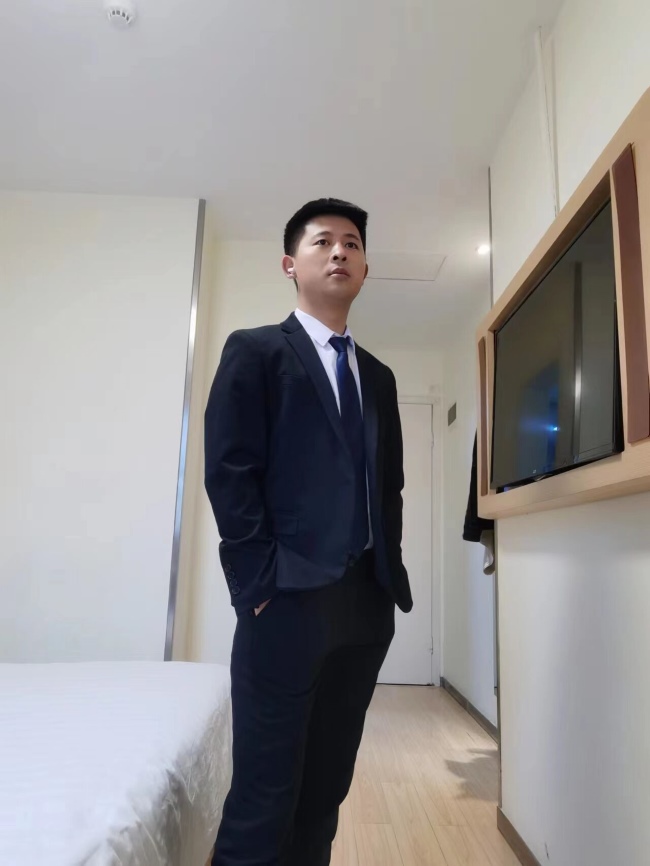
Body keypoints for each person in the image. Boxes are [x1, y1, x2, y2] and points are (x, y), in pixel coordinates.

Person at [204, 197, 412, 866]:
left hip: (365, 607)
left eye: (352, 243)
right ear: (290, 264)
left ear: (365, 267)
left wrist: (387, 580)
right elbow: (230, 472)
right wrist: (256, 586)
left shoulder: (378, 376)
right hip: (284, 601)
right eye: (322, 241)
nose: (340, 251)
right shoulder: (257, 351)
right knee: (264, 796)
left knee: (325, 791)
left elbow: (388, 486)